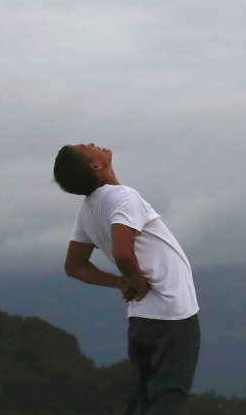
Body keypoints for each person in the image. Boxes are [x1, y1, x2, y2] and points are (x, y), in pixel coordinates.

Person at [53, 142, 200, 414]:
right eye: (85, 147)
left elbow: (74, 266)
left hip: (141, 316)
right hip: (172, 313)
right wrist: (136, 280)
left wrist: (120, 282)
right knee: (169, 394)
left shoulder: (88, 210)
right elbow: (122, 252)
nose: (91, 143)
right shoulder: (124, 197)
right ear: (95, 166)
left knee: (139, 397)